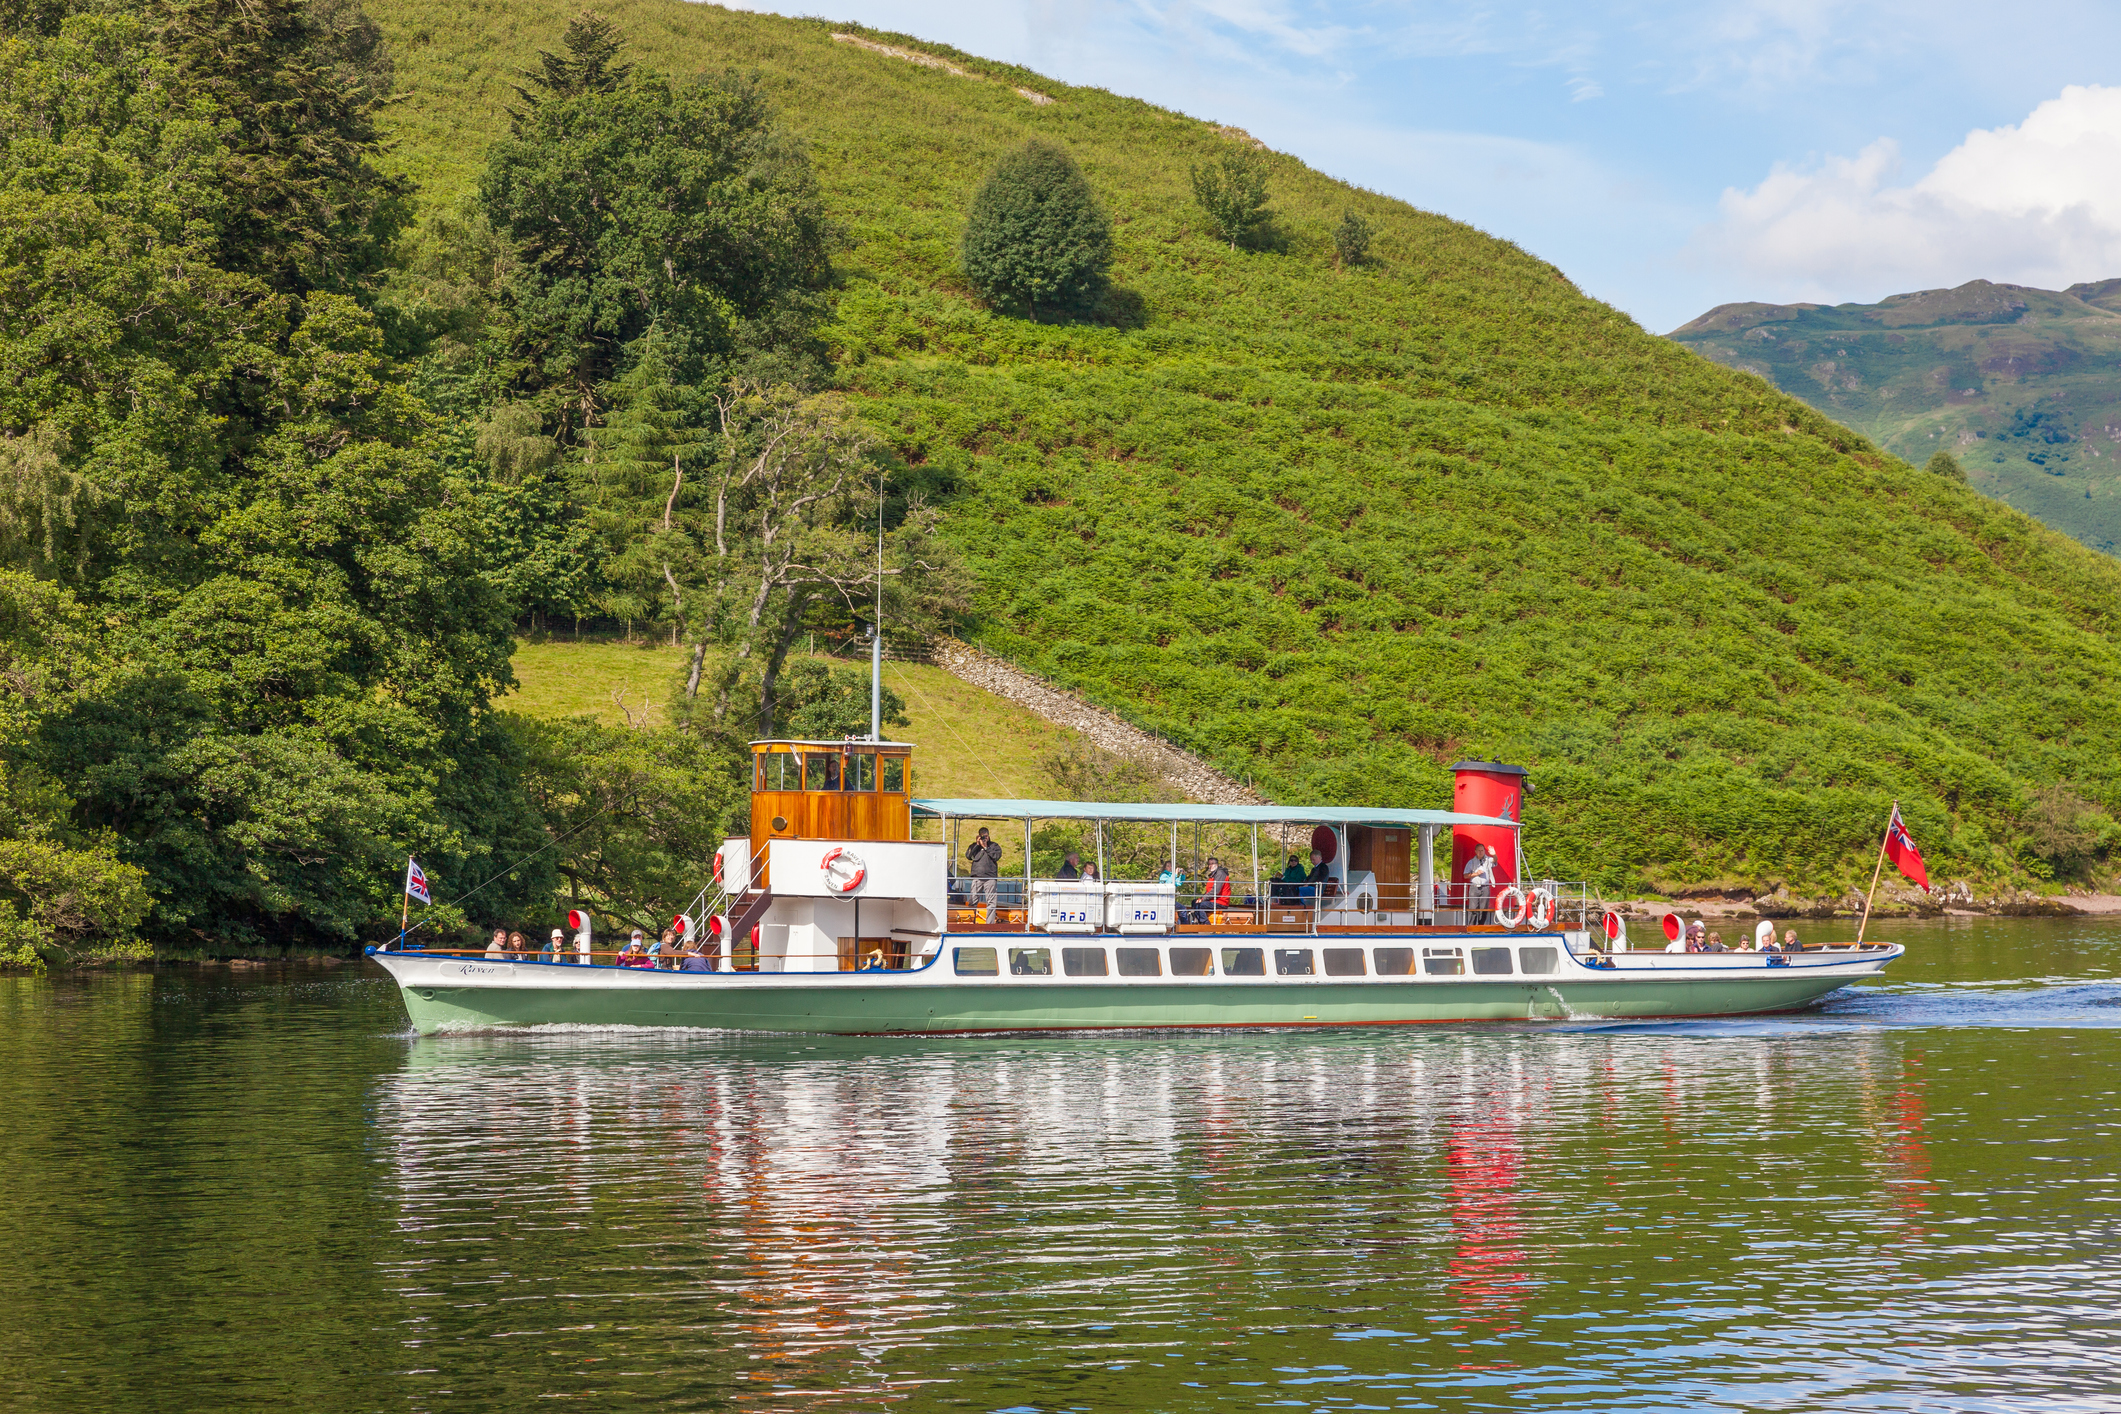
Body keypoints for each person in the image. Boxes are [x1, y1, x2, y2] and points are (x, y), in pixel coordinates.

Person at [965, 827, 1003, 923]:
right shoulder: (974, 846)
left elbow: (996, 856)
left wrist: (986, 847)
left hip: (990, 877)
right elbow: (968, 856)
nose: (984, 838)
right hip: (977, 877)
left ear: (989, 836)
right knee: (972, 901)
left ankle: (989, 925)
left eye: (985, 836)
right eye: (982, 836)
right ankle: (970, 922)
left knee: (991, 902)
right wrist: (977, 845)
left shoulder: (994, 846)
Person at [1466, 845, 1497, 924]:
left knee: (1484, 908)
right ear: (1475, 851)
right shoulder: (1471, 862)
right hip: (1474, 887)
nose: (1480, 852)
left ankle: (1481, 927)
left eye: (1482, 850)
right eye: (1479, 850)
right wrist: (1476, 873)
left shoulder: (1488, 860)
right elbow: (1465, 875)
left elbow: (1495, 860)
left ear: (1484, 851)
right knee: (1473, 908)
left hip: (1485, 887)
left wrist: (1494, 854)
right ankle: (1471, 928)